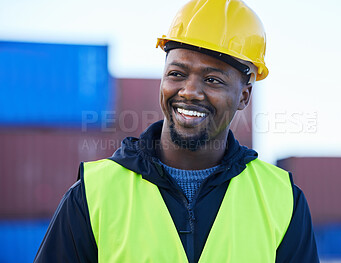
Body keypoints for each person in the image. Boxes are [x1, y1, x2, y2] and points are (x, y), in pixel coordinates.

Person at [34, 0, 320, 262]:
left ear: (244, 96)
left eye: (212, 79)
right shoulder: (93, 194)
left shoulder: (283, 201)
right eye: (177, 74)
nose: (190, 91)